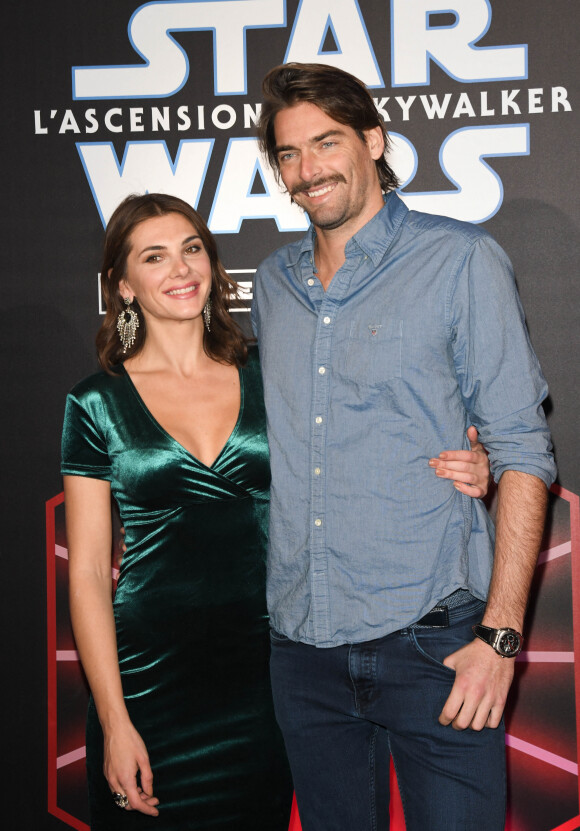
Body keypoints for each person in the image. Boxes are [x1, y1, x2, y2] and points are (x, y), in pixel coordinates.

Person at [253, 63, 557, 831]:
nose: (307, 169)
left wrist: (500, 637)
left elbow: (523, 449)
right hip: (302, 652)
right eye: (288, 153)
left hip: (436, 646)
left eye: (325, 143)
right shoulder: (271, 284)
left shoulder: (459, 260)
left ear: (374, 141)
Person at [61, 193, 294, 829]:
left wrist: (468, 459)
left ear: (214, 265)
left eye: (192, 249)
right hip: (147, 681)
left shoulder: (272, 373)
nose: (181, 269)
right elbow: (86, 573)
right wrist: (114, 721)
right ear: (125, 286)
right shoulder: (95, 403)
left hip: (265, 677)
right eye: (154, 257)